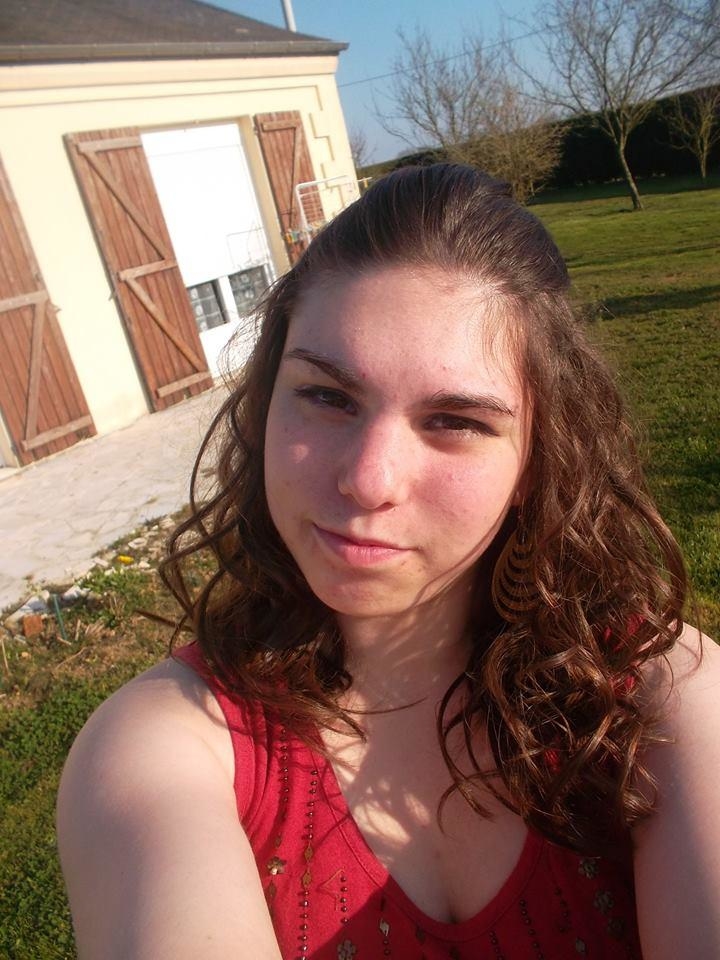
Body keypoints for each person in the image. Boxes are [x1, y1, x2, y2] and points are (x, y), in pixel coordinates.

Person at [57, 164, 720, 960]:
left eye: (455, 421)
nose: (368, 480)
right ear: (266, 404)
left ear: (538, 458)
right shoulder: (163, 747)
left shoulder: (660, 700)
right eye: (328, 396)